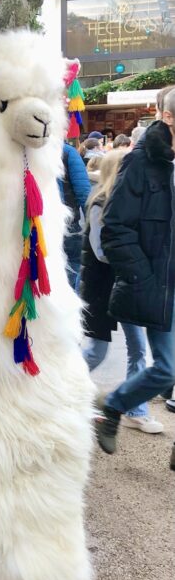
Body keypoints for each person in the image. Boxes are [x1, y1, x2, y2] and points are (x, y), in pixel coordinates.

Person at [94, 87, 175, 463]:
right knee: (166, 368)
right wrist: (142, 277)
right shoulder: (140, 161)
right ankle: (116, 404)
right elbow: (115, 228)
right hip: (159, 284)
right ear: (168, 117)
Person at [80, 149, 163, 434]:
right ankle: (61, 391)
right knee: (96, 352)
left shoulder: (128, 203)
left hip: (126, 284)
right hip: (103, 288)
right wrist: (136, 257)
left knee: (138, 348)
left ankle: (136, 410)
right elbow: (102, 251)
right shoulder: (99, 203)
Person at [60, 138, 91, 290]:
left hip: (35, 226)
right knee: (73, 266)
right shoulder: (68, 152)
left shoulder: (25, 153)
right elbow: (84, 193)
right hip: (68, 224)